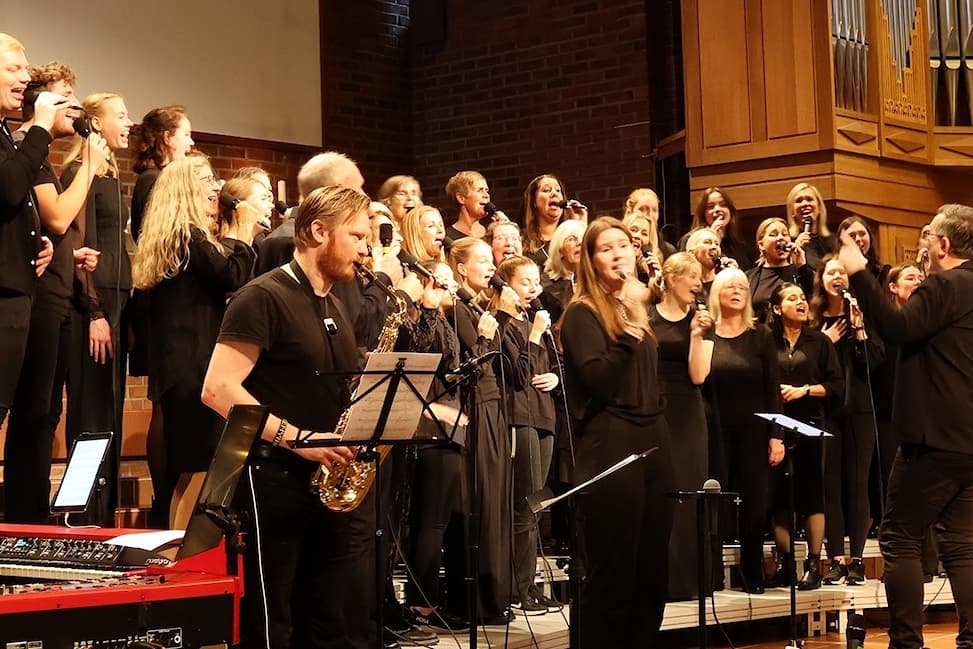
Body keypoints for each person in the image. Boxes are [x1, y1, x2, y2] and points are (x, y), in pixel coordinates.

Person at [203, 185, 375, 648]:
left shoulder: (335, 303)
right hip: (271, 478)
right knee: (271, 621)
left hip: (325, 477)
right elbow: (217, 389)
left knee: (326, 618)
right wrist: (299, 439)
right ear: (319, 231)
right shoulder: (262, 296)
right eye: (357, 236)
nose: (367, 249)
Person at [836, 203, 973, 649]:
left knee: (899, 538)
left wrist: (859, 272)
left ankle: (906, 644)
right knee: (961, 544)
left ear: (944, 245)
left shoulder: (945, 285)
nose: (923, 242)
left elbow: (897, 326)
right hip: (968, 440)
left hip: (933, 438)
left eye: (928, 235)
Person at [3, 61, 111, 523]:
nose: (74, 107)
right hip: (38, 296)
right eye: (65, 98)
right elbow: (58, 216)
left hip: (56, 290)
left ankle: (32, 516)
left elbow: (48, 229)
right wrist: (90, 166)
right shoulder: (28, 147)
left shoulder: (34, 151)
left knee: (46, 413)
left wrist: (67, 253)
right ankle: (24, 518)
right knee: (33, 412)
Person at [560, 217, 674, 648]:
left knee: (652, 570)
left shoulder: (635, 310)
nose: (617, 254)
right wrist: (627, 335)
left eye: (623, 245)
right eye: (605, 248)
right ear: (591, 261)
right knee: (614, 570)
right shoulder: (582, 313)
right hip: (611, 442)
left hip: (653, 438)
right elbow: (599, 381)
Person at [133, 162, 264, 526]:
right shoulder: (189, 236)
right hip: (193, 368)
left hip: (179, 367)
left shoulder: (174, 237)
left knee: (190, 472)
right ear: (185, 189)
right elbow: (232, 275)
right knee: (199, 469)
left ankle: (177, 547)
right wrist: (243, 230)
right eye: (207, 179)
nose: (216, 186)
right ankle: (183, 552)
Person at [59, 91, 134, 526]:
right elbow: (78, 244)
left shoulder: (109, 173)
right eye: (120, 115)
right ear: (96, 123)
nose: (128, 122)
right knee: (90, 414)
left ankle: (102, 517)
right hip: (94, 307)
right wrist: (95, 313)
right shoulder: (79, 172)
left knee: (108, 413)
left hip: (115, 304)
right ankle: (79, 514)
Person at [447, 236, 516, 625]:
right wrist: (496, 324)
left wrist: (503, 318)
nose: (492, 267)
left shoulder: (478, 307)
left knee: (497, 503)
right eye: (484, 260)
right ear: (461, 268)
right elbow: (474, 365)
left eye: (493, 260)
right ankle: (476, 600)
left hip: (495, 407)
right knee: (481, 502)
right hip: (475, 410)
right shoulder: (457, 309)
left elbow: (510, 366)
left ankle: (495, 596)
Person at [706, 267, 784, 593]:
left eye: (742, 286)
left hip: (754, 429)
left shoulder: (760, 335)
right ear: (716, 294)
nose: (737, 291)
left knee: (755, 501)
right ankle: (710, 573)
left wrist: (777, 435)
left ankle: (751, 573)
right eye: (730, 287)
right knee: (715, 501)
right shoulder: (705, 332)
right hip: (714, 429)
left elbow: (772, 387)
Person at [809, 255, 884, 585]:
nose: (836, 276)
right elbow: (803, 364)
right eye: (831, 271)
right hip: (824, 409)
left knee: (857, 483)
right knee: (830, 484)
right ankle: (836, 558)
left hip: (859, 409)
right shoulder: (813, 320)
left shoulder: (862, 314)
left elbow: (876, 362)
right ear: (822, 279)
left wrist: (859, 330)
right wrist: (826, 343)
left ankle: (857, 559)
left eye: (842, 271)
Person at [495, 255, 561, 615]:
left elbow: (551, 366)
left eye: (537, 281)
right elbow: (518, 375)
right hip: (520, 416)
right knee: (524, 503)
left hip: (545, 416)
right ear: (507, 286)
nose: (534, 288)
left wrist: (554, 377)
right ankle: (517, 587)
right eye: (525, 282)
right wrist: (534, 335)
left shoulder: (540, 323)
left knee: (538, 505)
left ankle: (530, 583)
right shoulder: (506, 323)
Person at [766, 283, 843, 590]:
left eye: (802, 298)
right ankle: (785, 563)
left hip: (810, 422)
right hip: (774, 425)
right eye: (792, 298)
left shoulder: (819, 341)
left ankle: (813, 564)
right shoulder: (765, 340)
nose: (801, 302)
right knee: (778, 494)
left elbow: (836, 385)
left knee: (812, 493)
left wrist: (805, 390)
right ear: (776, 308)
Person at [0, 33, 59, 429]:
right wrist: (40, 129)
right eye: (13, 68)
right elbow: (8, 188)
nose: (26, 77)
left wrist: (36, 239)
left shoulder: (3, 131)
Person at [648, 252, 714, 601]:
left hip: (687, 412)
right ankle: (658, 579)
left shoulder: (701, 320)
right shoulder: (648, 316)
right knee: (660, 492)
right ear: (672, 279)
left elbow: (699, 375)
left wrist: (697, 336)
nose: (699, 283)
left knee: (688, 491)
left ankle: (688, 581)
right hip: (653, 409)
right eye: (692, 276)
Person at [255, 150, 364, 276]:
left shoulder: (281, 239)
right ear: (337, 191)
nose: (363, 195)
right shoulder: (291, 242)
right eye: (357, 188)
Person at [747, 217, 815, 321]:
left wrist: (802, 266)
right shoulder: (749, 277)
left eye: (784, 234)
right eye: (773, 235)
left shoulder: (801, 272)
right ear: (761, 244)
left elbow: (814, 297)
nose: (780, 238)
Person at [680, 187, 757, 270]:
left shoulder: (741, 247)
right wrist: (712, 235)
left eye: (723, 205)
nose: (717, 209)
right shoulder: (690, 239)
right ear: (703, 214)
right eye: (711, 207)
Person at [520, 173, 587, 264]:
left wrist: (580, 225)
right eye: (546, 190)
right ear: (534, 201)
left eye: (558, 190)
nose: (554, 193)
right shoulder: (522, 242)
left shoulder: (571, 238)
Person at [785, 182, 833, 270]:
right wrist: (797, 248)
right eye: (799, 201)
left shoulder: (834, 240)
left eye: (809, 199)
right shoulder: (787, 242)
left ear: (819, 207)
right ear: (792, 211)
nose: (804, 204)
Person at [623, 187, 676, 258]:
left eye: (654, 210)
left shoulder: (668, 251)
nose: (650, 214)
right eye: (642, 209)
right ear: (630, 212)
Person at [834, 216, 889, 283]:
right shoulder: (836, 274)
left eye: (862, 234)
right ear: (841, 242)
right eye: (851, 235)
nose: (858, 239)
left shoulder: (883, 273)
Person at [444, 170, 495, 241]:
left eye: (486, 191)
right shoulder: (448, 238)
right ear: (461, 198)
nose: (486, 195)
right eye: (480, 190)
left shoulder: (492, 233)